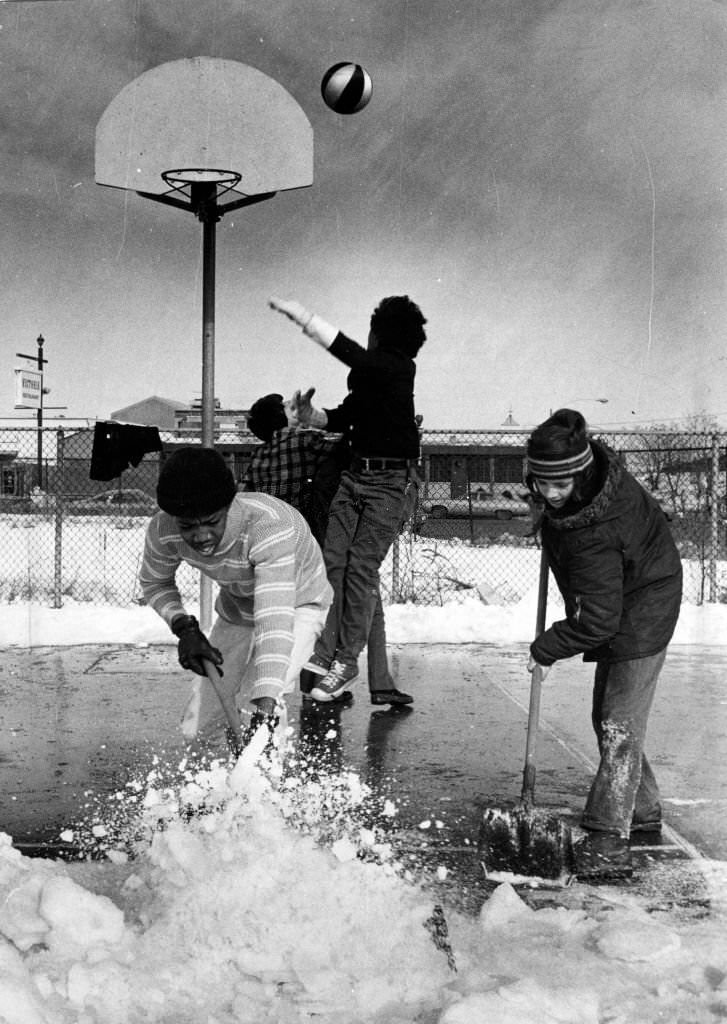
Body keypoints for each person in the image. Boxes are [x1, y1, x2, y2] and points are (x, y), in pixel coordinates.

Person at [525, 408, 683, 881]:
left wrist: (547, 647)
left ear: (581, 472)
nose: (550, 494)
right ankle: (643, 809)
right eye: (541, 484)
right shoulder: (588, 485)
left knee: (618, 723)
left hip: (643, 609)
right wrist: (547, 518)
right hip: (628, 592)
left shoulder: (595, 528)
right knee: (612, 720)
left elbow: (596, 621)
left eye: (560, 486)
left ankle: (607, 839)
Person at [269, 294, 426, 703]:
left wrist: (305, 318)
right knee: (332, 562)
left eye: (372, 331)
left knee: (360, 570)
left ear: (380, 336)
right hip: (355, 477)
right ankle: (326, 652)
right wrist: (313, 417)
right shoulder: (371, 379)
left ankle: (347, 660)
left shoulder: (396, 368)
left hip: (391, 485)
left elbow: (354, 355)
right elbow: (344, 415)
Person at [139, 446, 332, 749]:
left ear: (230, 506)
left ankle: (265, 789)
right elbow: (155, 582)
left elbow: (275, 620)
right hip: (239, 606)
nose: (201, 536)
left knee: (254, 711)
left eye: (212, 522)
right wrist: (184, 627)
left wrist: (265, 703)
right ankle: (213, 788)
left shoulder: (269, 528)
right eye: (188, 526)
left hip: (297, 604)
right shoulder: (163, 529)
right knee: (198, 726)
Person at [242, 390, 413, 706]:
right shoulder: (303, 441)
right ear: (283, 419)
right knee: (363, 595)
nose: (295, 411)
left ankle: (321, 678)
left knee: (306, 613)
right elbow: (349, 442)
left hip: (277, 548)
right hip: (315, 542)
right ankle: (371, 680)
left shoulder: (259, 457)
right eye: (289, 409)